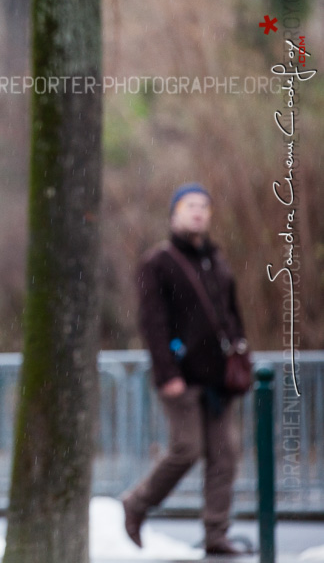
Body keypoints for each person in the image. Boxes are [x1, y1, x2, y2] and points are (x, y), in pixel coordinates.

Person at [122, 182, 250, 556]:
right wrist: (167, 374)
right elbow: (152, 324)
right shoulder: (157, 263)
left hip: (219, 379)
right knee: (187, 448)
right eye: (190, 205)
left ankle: (216, 532)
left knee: (224, 455)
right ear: (174, 212)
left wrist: (240, 353)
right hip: (181, 377)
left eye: (204, 206)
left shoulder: (217, 261)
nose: (198, 212)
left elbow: (232, 316)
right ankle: (138, 503)